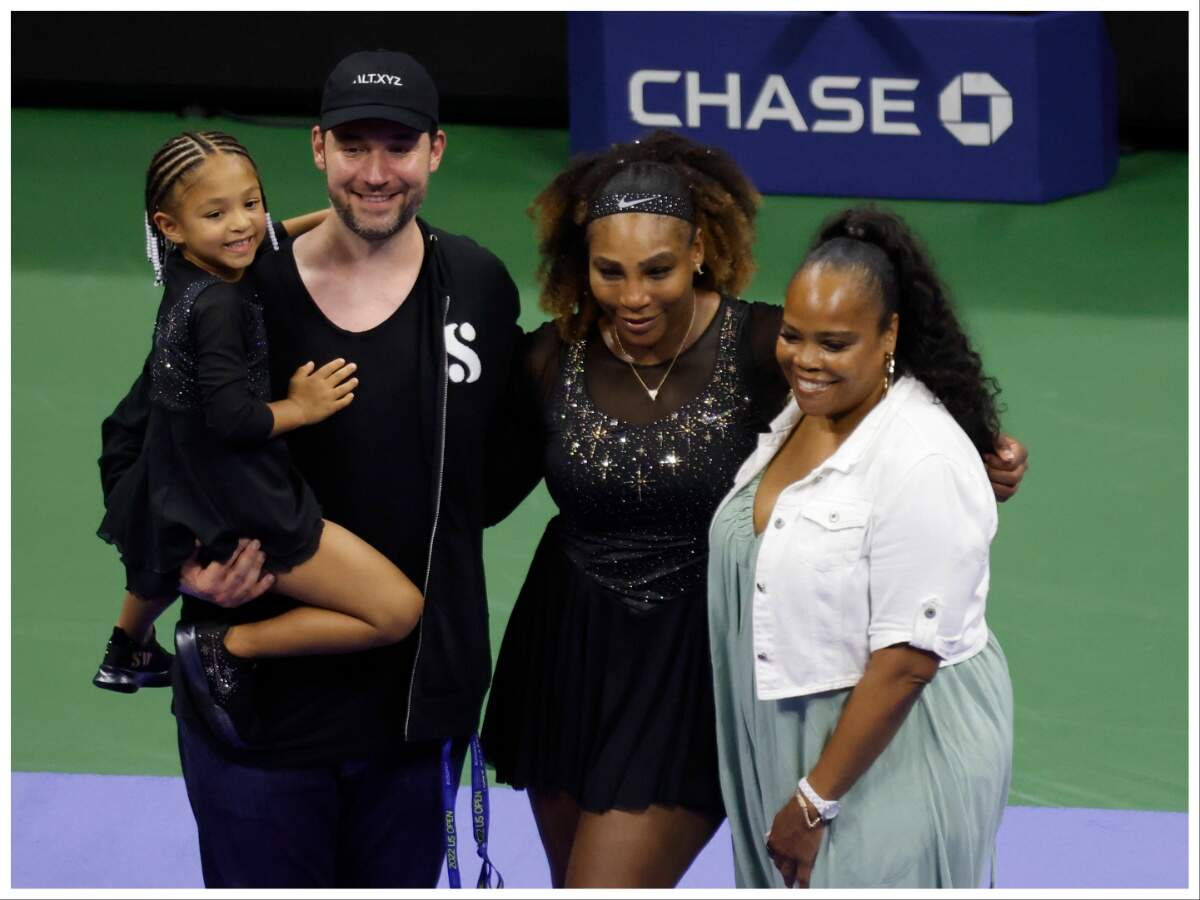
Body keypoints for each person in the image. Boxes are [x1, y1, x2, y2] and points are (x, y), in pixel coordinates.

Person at [480, 132, 1029, 888]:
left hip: (691, 671)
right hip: (564, 658)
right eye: (610, 272)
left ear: (700, 248)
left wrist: (978, 447)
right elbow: (477, 495)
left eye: (658, 270)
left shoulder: (767, 347)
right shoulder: (548, 359)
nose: (633, 296)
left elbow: (875, 381)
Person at [97, 51, 521, 888]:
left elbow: (499, 468)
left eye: (397, 148)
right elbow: (134, 444)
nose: (375, 173)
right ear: (318, 147)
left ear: (435, 151)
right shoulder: (238, 289)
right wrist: (184, 560)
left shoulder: (473, 283)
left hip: (408, 714)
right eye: (353, 146)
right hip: (254, 723)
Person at [707, 206, 1014, 888]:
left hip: (893, 747)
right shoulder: (799, 414)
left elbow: (907, 662)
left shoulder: (923, 455)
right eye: (793, 335)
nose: (805, 360)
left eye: (835, 343)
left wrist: (815, 801)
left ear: (889, 335)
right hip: (798, 738)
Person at [94, 130, 425, 750]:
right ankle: (224, 647)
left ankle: (126, 649)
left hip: (174, 477)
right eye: (216, 213)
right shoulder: (218, 305)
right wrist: (303, 407)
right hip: (241, 498)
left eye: (252, 202)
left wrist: (352, 207)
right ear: (169, 224)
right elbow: (234, 421)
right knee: (397, 611)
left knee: (157, 561)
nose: (243, 225)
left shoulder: (193, 265)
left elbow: (268, 234)